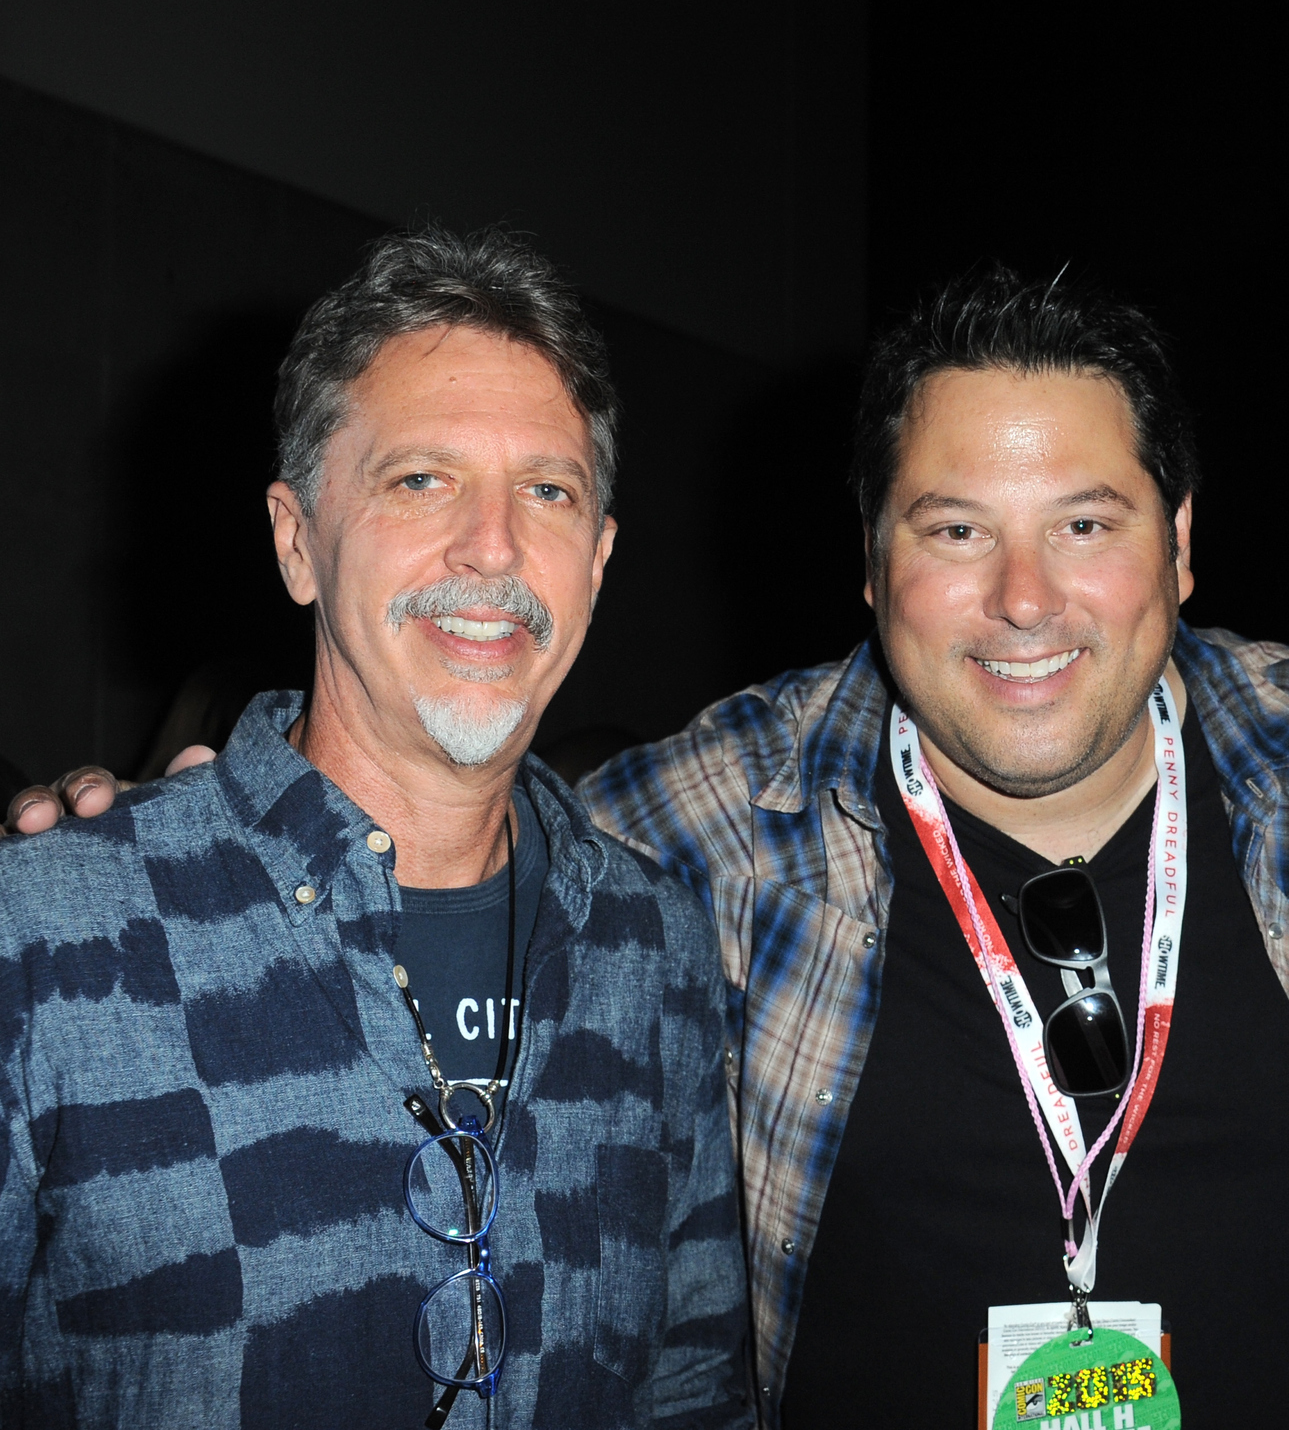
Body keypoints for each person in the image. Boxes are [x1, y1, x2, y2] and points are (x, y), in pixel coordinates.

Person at [582, 267, 1289, 1425]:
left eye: (1083, 524)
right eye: (955, 529)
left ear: (1179, 543)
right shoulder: (693, 830)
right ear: (873, 557)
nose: (1023, 598)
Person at [0, 228, 751, 1428]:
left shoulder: (655, 948)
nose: (494, 548)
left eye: (547, 491)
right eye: (421, 479)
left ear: (599, 562)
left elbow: (695, 1391)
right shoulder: (48, 936)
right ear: (297, 539)